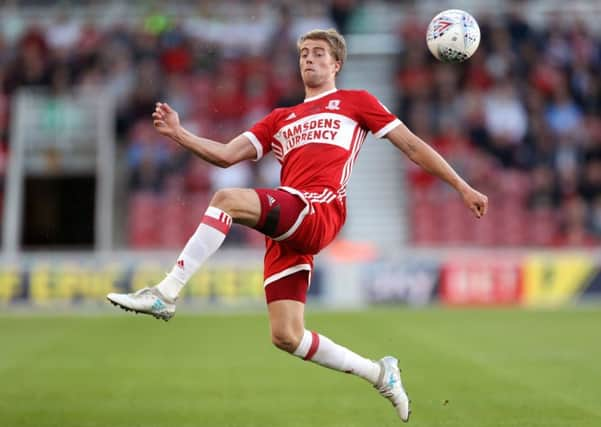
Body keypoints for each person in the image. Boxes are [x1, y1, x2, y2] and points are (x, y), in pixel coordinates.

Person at [108, 28, 488, 423]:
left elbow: (411, 145)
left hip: (319, 207)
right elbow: (224, 155)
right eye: (304, 53)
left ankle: (166, 292)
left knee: (226, 200)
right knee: (286, 336)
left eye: (318, 53)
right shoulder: (280, 118)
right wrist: (179, 133)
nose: (308, 58)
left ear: (336, 64)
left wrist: (461, 186)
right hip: (290, 221)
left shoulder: (356, 102)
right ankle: (380, 373)